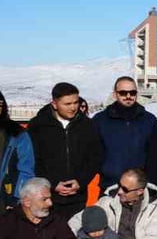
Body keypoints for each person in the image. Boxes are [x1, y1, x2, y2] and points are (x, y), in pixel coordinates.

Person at [28, 83, 104, 220]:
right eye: (67, 104)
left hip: (78, 197)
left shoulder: (88, 125)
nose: (73, 107)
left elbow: (95, 158)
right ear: (55, 104)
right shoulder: (38, 126)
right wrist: (52, 183)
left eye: (76, 102)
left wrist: (80, 182)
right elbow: (33, 160)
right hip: (47, 196)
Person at [92, 77, 157, 184]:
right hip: (110, 184)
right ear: (115, 94)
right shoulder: (100, 120)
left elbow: (154, 153)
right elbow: (93, 153)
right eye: (123, 93)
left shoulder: (149, 120)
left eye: (132, 93)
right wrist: (106, 170)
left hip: (139, 186)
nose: (128, 96)